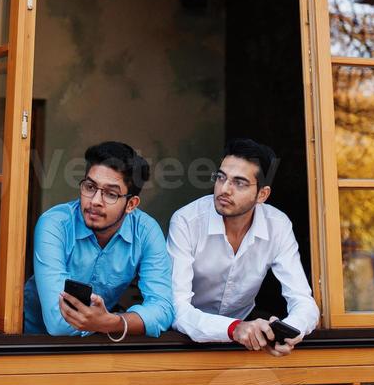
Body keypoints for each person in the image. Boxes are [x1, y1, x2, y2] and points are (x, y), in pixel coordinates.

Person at [167, 137, 319, 353]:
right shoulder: (186, 221)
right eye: (221, 178)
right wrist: (233, 328)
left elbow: (303, 301)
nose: (224, 189)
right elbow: (177, 308)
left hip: (244, 340)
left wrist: (288, 331)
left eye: (239, 183)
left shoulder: (277, 225)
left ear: (262, 195)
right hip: (183, 339)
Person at [23, 140, 174, 339]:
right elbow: (58, 323)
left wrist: (114, 322)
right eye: (90, 186)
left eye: (111, 194)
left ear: (131, 204)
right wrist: (113, 323)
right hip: (32, 343)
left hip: (97, 347)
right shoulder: (55, 224)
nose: (95, 201)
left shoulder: (146, 231)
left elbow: (163, 309)